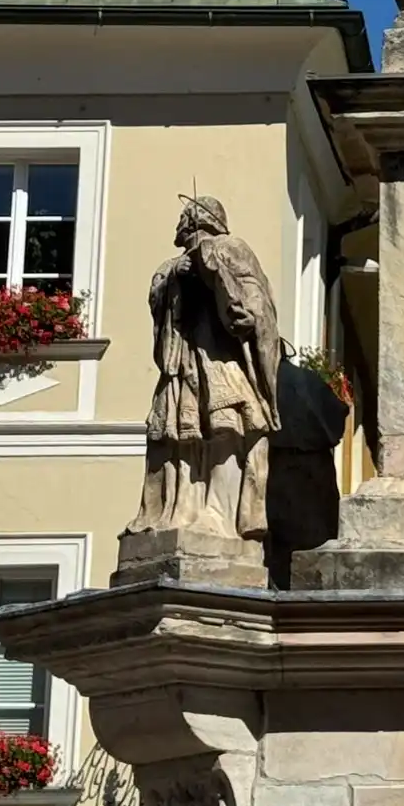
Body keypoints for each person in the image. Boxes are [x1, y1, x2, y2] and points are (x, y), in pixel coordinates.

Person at [127, 195, 281, 546]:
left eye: (184, 217)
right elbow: (157, 303)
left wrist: (231, 296)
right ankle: (178, 510)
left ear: (200, 220)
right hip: (181, 361)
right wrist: (176, 279)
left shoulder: (231, 248)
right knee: (175, 439)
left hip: (220, 358)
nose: (179, 224)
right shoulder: (170, 266)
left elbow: (256, 297)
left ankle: (219, 515)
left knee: (226, 430)